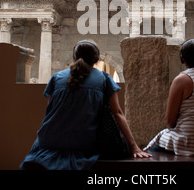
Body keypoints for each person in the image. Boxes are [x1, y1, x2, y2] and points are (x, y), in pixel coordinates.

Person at [20, 40, 151, 170]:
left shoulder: (56, 77)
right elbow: (117, 113)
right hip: (84, 146)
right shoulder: (104, 79)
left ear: (74, 57)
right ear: (96, 59)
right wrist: (134, 146)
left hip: (48, 143)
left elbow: (50, 111)